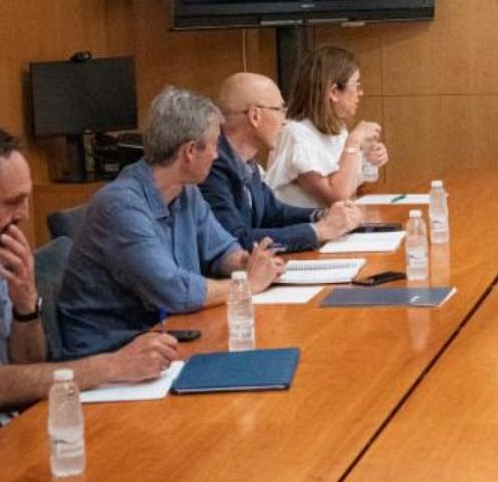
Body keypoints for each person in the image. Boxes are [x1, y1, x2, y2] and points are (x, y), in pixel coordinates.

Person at [0, 121, 178, 413]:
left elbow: (28, 366)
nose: (23, 214)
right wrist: (113, 365)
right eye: (12, 202)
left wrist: (25, 307)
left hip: (23, 424)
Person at [58, 88, 283, 357]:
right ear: (189, 151)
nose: (216, 155)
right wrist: (246, 285)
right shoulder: (120, 207)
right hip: (109, 356)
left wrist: (248, 262)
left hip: (164, 337)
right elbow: (173, 291)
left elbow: (221, 250)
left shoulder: (186, 191)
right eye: (213, 145)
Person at [201, 73, 364, 253]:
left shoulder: (245, 161)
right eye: (279, 110)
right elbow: (235, 241)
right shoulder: (210, 168)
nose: (284, 120)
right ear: (255, 116)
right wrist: (319, 231)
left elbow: (274, 212)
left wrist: (321, 215)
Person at [265, 45, 388, 208]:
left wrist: (366, 158)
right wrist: (353, 142)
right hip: (302, 229)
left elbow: (348, 186)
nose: (361, 93)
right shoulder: (295, 134)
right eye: (356, 86)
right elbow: (335, 196)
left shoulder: (337, 129)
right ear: (334, 92)